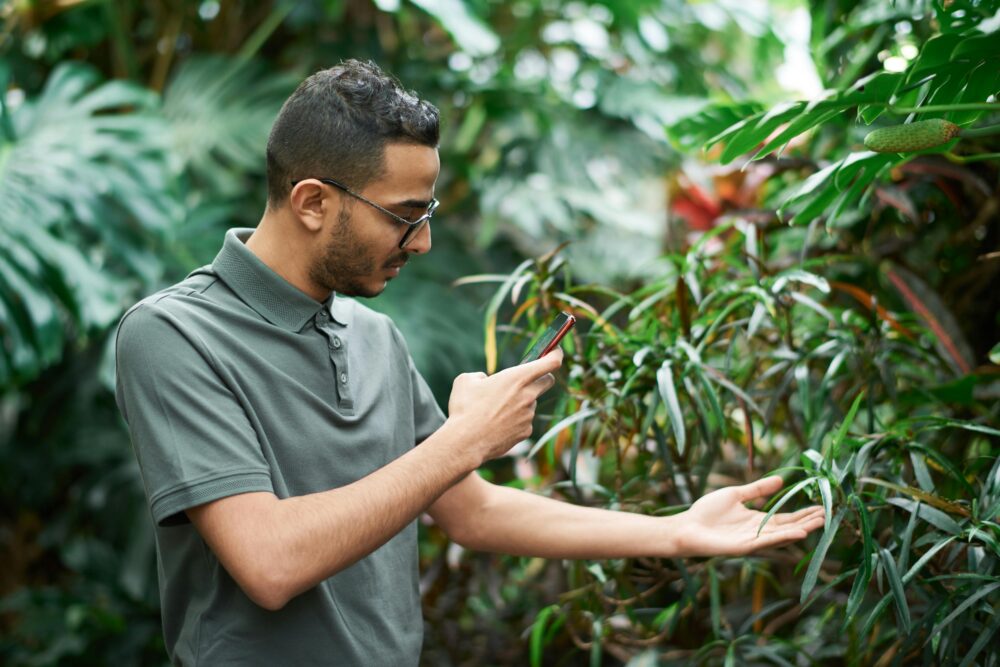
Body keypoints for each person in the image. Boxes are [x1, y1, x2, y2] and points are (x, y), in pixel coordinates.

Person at [114, 59, 825, 665]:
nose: (420, 243)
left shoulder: (373, 336)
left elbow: (472, 509)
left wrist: (675, 530)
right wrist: (464, 441)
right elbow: (269, 563)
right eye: (404, 214)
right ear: (311, 202)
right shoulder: (173, 335)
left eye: (428, 214)